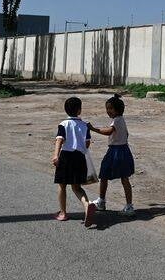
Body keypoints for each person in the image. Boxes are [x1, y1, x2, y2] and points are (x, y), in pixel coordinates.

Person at [51, 96, 97, 226]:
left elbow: (59, 140)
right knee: (77, 187)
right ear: (79, 110)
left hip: (66, 156)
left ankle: (63, 213)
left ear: (66, 110)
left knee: (62, 185)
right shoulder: (85, 125)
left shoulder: (63, 124)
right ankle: (87, 205)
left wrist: (56, 155)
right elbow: (87, 143)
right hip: (80, 157)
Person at [88, 94, 136, 216]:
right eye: (107, 108)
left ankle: (124, 205)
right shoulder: (120, 120)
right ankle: (104, 201)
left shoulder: (117, 120)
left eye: (110, 108)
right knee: (110, 176)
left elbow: (109, 131)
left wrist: (94, 129)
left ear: (118, 110)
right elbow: (126, 134)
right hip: (122, 150)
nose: (108, 111)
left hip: (116, 152)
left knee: (110, 175)